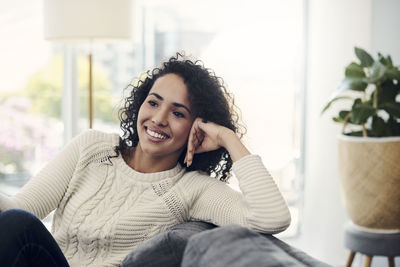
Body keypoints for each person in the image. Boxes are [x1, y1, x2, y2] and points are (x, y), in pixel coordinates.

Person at [0, 53, 291, 267]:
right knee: (15, 222)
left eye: (178, 113)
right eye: (153, 102)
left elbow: (271, 217)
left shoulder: (192, 189)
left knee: (16, 225)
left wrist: (228, 139)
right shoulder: (92, 148)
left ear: (197, 128)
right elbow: (21, 209)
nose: (159, 119)